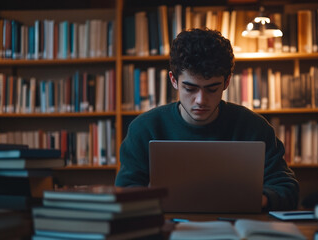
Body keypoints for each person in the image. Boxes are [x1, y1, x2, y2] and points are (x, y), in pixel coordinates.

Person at [115, 28, 299, 211]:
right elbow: (124, 191)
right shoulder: (144, 129)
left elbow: (287, 189)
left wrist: (257, 199)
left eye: (211, 89)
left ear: (227, 82)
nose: (201, 100)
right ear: (174, 80)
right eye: (190, 88)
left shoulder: (255, 128)